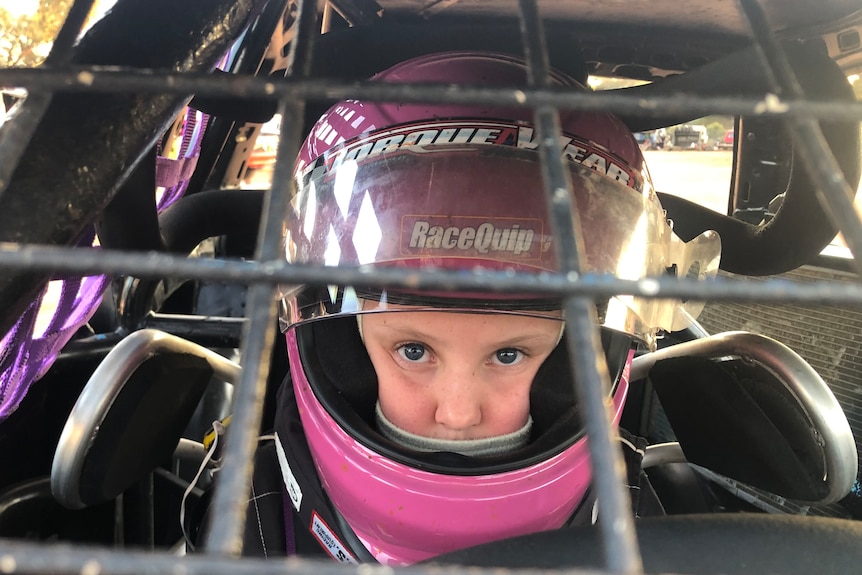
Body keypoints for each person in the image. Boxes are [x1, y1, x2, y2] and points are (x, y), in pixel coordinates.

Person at [240, 51, 720, 565]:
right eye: (413, 350)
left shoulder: (663, 527)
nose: (458, 414)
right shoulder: (252, 523)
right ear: (339, 346)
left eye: (510, 355)